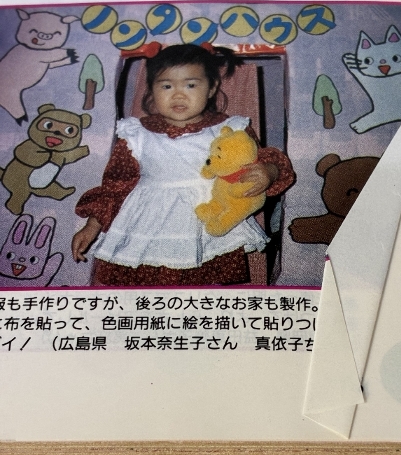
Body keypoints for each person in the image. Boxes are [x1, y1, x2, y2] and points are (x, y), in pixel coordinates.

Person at [71, 43, 295, 286]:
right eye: (167, 86)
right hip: (148, 229)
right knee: (150, 291)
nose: (178, 95)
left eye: (190, 85)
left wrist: (269, 172)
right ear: (151, 89)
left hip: (207, 228)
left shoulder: (228, 130)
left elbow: (262, 160)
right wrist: (91, 226)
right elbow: (116, 185)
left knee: (200, 292)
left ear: (212, 88)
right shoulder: (137, 134)